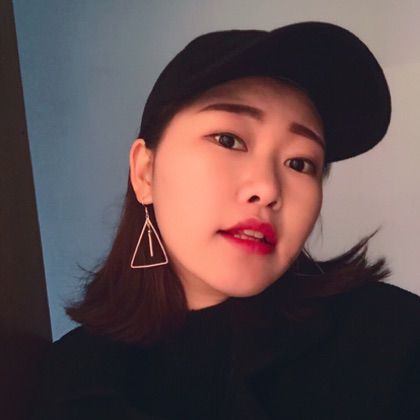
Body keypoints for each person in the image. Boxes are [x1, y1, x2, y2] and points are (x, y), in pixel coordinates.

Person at [32, 22, 420, 419]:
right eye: (229, 140)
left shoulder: (391, 338)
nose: (267, 188)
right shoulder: (72, 377)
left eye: (300, 163)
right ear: (145, 172)